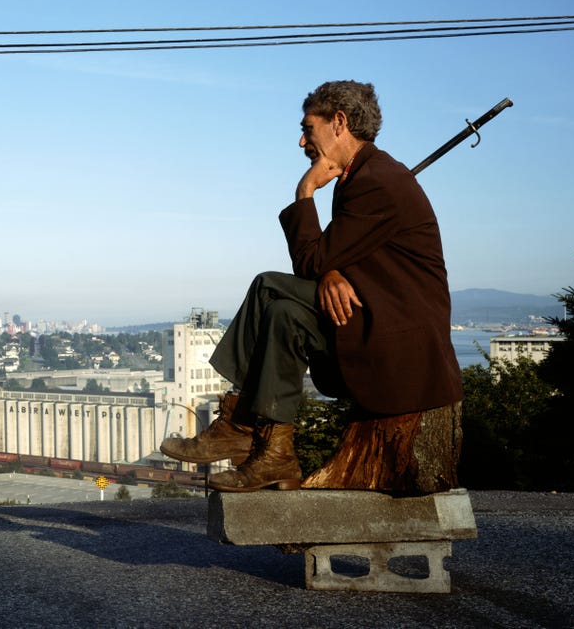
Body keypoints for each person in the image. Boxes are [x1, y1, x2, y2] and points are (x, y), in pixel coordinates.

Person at [160, 80, 462, 492]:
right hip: (376, 323)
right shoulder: (362, 177)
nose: (303, 140)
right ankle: (276, 457)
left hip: (400, 346)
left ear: (339, 123)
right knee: (285, 315)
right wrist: (332, 272)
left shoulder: (378, 181)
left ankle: (238, 422)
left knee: (269, 287)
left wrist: (304, 193)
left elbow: (311, 260)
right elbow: (331, 258)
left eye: (309, 128)